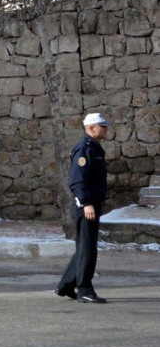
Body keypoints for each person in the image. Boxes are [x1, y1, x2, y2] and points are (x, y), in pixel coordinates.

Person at [56, 112, 111, 304]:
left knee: (83, 248)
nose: (106, 129)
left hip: (90, 204)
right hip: (86, 205)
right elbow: (77, 180)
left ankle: (66, 285)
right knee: (88, 249)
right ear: (91, 128)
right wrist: (86, 203)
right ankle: (85, 289)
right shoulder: (84, 148)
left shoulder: (93, 148)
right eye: (102, 126)